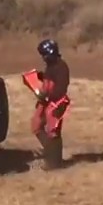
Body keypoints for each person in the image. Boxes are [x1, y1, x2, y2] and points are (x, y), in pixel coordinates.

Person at [30, 38, 71, 170]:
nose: (43, 58)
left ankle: (54, 162)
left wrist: (45, 96)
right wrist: (39, 76)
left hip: (56, 103)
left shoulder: (61, 67)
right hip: (46, 100)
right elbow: (50, 79)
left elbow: (60, 89)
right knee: (36, 125)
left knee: (53, 132)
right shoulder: (51, 66)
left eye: (44, 55)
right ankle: (49, 151)